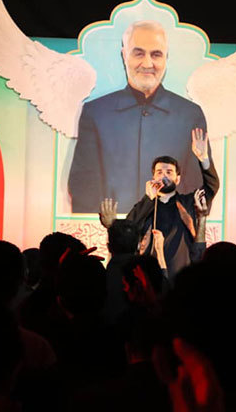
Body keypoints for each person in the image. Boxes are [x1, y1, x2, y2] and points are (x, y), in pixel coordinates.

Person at [68, 20, 209, 213]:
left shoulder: (190, 115)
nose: (148, 64)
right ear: (124, 55)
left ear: (166, 58)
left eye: (156, 54)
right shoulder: (96, 112)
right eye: (139, 53)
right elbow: (83, 186)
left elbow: (199, 187)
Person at [122, 128, 218, 278]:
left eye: (169, 172)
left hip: (182, 274)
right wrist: (148, 199)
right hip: (149, 276)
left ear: (177, 179)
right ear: (153, 178)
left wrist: (204, 159)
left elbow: (212, 186)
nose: (164, 176)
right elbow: (127, 230)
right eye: (159, 172)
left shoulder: (189, 202)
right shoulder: (146, 205)